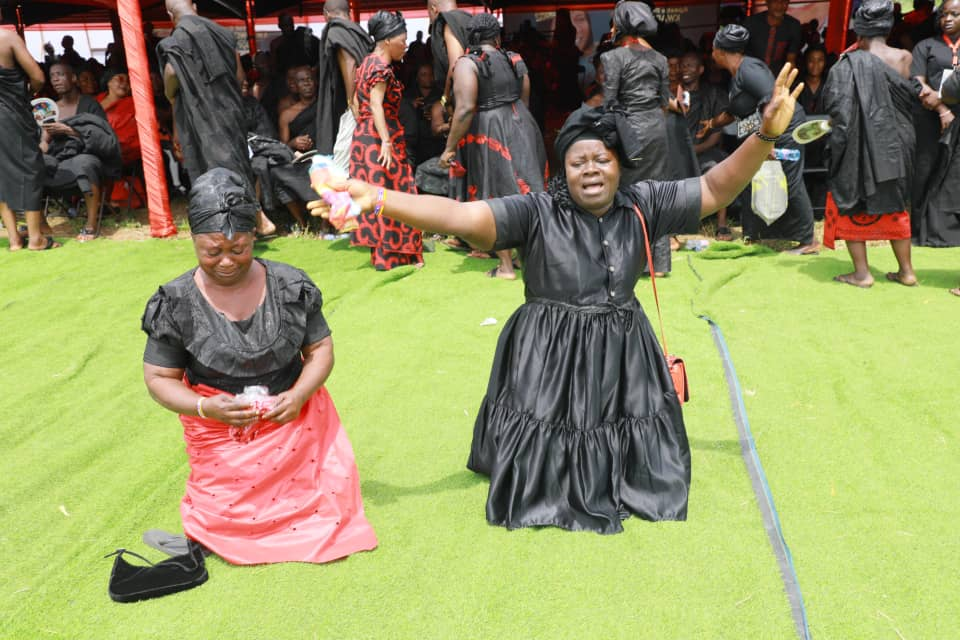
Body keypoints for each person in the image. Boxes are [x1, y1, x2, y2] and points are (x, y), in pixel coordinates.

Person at [309, 66, 805, 534]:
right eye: (577, 162)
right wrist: (376, 198)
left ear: (619, 165)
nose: (591, 170)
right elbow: (459, 216)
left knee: (642, 462)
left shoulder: (644, 204)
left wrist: (764, 135)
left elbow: (716, 187)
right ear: (562, 169)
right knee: (543, 471)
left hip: (624, 354)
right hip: (548, 353)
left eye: (602, 160)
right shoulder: (537, 211)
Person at [140, 168, 378, 564]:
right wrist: (205, 407)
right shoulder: (175, 302)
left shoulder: (290, 285)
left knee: (323, 518)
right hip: (220, 431)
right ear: (193, 240)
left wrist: (299, 395)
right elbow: (158, 377)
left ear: (254, 235)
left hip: (294, 421)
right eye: (212, 252)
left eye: (239, 249)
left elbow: (320, 349)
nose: (226, 261)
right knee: (221, 525)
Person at [439, 13, 547, 281]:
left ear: (470, 37)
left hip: (489, 129)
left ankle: (506, 267)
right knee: (525, 188)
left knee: (494, 193)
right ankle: (526, 258)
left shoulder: (468, 63)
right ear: (496, 36)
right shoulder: (513, 58)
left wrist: (450, 147)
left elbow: (465, 108)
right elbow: (525, 94)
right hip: (521, 121)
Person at [158, 0, 275, 237]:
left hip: (201, 117)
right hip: (231, 111)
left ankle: (252, 219)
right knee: (237, 163)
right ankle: (247, 223)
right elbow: (239, 75)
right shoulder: (221, 33)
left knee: (215, 172)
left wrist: (170, 95)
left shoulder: (177, 39)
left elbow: (171, 72)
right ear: (194, 6)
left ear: (170, 14)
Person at [822, 0, 918, 288]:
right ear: (888, 28)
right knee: (896, 205)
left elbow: (837, 109)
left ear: (859, 31)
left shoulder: (847, 64)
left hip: (857, 145)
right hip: (896, 144)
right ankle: (907, 272)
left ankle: (862, 274)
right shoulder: (904, 57)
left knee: (851, 199)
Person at [699, 25, 818, 253]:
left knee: (790, 180)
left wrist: (769, 141)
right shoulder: (737, 74)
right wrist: (711, 124)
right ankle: (754, 234)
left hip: (783, 128)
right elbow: (735, 111)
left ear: (719, 51)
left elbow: (771, 100)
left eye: (712, 49)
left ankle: (808, 240)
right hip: (767, 131)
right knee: (750, 178)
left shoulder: (750, 69)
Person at [601, 1, 678, 274]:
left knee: (625, 193)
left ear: (621, 24)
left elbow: (610, 103)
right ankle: (659, 263)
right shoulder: (659, 58)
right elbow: (664, 101)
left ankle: (631, 261)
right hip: (656, 128)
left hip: (629, 130)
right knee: (656, 192)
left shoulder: (613, 58)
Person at [349, 11, 423, 270]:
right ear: (388, 40)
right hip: (380, 139)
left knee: (377, 195)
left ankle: (385, 256)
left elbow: (355, 101)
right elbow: (376, 105)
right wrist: (386, 141)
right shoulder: (380, 68)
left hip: (364, 138)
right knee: (395, 195)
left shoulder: (365, 63)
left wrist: (364, 126)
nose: (406, 45)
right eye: (403, 40)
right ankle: (396, 255)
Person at [0, 21, 59, 251]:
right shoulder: (7, 37)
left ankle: (14, 239)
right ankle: (36, 238)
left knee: (1, 174)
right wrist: (26, 93)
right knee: (29, 167)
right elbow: (38, 77)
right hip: (10, 114)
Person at [45, 60, 119, 243]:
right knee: (32, 163)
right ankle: (40, 224)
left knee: (84, 162)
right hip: (58, 159)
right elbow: (43, 143)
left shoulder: (90, 104)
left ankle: (91, 224)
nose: (56, 79)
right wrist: (42, 144)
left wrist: (69, 130)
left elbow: (102, 137)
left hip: (88, 156)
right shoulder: (49, 109)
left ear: (73, 78)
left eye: (60, 74)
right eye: (52, 76)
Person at [910, 0, 960, 247]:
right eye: (943, 14)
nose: (947, 19)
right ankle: (918, 228)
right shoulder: (926, 46)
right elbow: (917, 82)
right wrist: (942, 109)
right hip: (931, 117)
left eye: (954, 14)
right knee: (925, 169)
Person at [316, 0, 373, 173]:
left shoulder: (336, 30)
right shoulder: (358, 31)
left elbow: (350, 63)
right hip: (368, 98)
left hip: (356, 101)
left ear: (326, 14)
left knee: (341, 164)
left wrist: (351, 101)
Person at [680, 50, 732, 240]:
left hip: (705, 150)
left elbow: (716, 135)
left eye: (690, 65)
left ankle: (722, 226)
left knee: (718, 168)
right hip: (679, 153)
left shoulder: (713, 94)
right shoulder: (675, 94)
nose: (685, 69)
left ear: (700, 70)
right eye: (682, 65)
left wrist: (695, 150)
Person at [427, 0, 472, 103]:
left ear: (433, 9)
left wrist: (445, 98)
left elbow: (456, 65)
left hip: (463, 94)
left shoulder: (449, 23)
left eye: (428, 13)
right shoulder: (469, 19)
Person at [742, 0, 803, 75]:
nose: (779, 6)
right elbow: (739, 53)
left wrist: (788, 78)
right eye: (775, 1)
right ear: (767, 2)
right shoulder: (751, 23)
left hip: (777, 76)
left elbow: (791, 59)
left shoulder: (793, 25)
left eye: (784, 1)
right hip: (750, 73)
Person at [99, 69, 140, 165]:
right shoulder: (95, 99)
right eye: (120, 79)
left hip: (122, 153)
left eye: (128, 81)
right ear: (109, 82)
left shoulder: (135, 103)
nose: (125, 83)